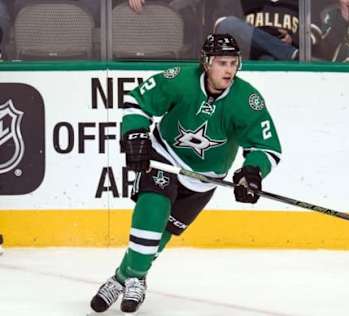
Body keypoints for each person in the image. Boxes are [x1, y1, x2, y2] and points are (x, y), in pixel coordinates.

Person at [89, 33, 282, 314]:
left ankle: (123, 277)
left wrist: (252, 172)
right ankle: (137, 280)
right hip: (165, 155)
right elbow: (138, 101)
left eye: (233, 63)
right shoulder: (179, 79)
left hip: (204, 178)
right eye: (221, 63)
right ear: (206, 63)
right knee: (153, 207)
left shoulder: (247, 100)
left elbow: (267, 147)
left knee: (163, 233)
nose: (229, 70)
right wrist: (134, 133)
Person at [213, 0, 322, 60]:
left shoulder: (300, 2)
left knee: (267, 58)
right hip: (250, 59)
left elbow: (315, 34)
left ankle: (288, 53)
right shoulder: (245, 3)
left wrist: (292, 40)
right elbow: (221, 24)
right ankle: (290, 53)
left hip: (288, 66)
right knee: (229, 23)